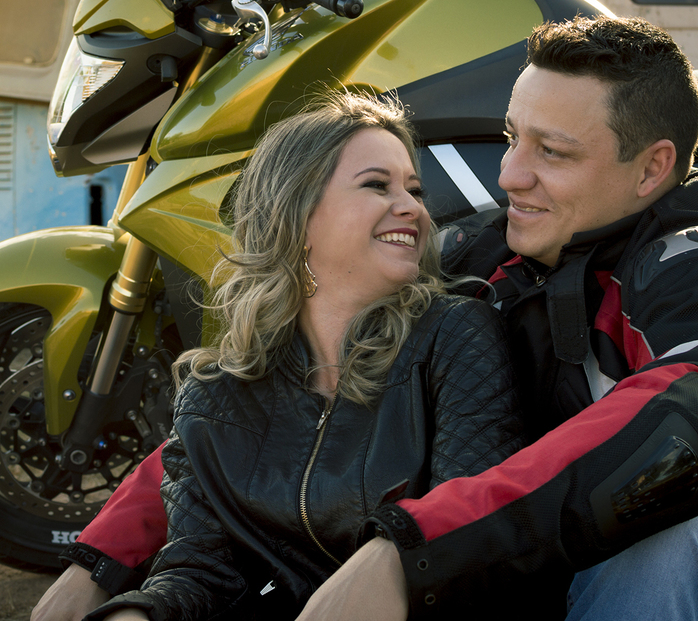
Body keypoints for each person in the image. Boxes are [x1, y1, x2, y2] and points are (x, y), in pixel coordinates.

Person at [32, 16, 698, 620]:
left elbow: (669, 438)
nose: (510, 174)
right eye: (512, 139)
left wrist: (411, 547)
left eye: (551, 152)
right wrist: (104, 556)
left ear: (651, 167)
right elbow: (260, 401)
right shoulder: (491, 248)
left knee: (668, 530)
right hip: (526, 578)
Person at [73, 93, 524, 621]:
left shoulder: (456, 334)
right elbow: (198, 571)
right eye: (377, 185)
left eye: (414, 189)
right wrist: (139, 613)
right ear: (297, 213)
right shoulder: (214, 392)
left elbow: (469, 529)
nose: (413, 208)